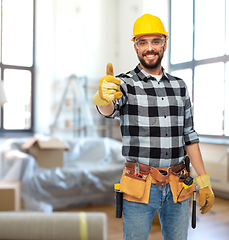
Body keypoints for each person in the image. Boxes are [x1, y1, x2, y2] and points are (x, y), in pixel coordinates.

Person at [92, 13, 214, 240]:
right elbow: (109, 110)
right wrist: (103, 97)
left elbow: (189, 136)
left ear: (164, 44)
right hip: (140, 185)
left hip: (179, 185)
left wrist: (203, 180)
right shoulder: (124, 84)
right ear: (135, 46)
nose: (149, 48)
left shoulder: (179, 86)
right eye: (143, 42)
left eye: (155, 41)